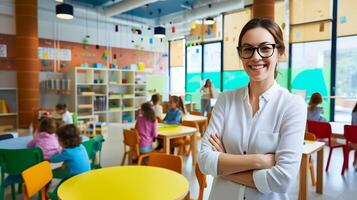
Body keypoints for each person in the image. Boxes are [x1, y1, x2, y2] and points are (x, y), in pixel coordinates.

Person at [198, 18, 307, 200]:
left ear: (279, 51)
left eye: (265, 48)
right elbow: (203, 161)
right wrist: (260, 161)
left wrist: (223, 165)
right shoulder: (226, 99)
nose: (256, 57)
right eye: (248, 49)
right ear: (241, 54)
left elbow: (282, 180)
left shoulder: (292, 105)